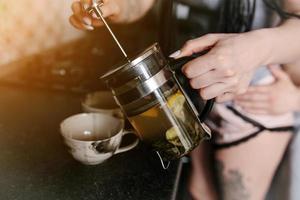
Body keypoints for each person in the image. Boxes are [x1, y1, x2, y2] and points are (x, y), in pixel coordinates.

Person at [69, 0, 300, 199]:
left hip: (253, 97)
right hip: (187, 88)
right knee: (198, 190)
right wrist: (117, 5)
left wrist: (260, 53)